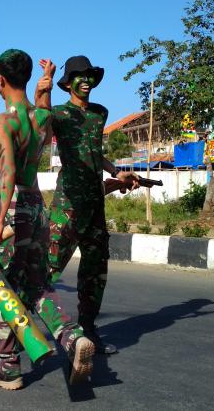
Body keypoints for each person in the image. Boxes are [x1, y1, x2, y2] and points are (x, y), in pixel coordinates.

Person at [0, 49, 94, 389]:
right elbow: (41, 105)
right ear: (25, 78)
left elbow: (7, 173)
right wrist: (47, 86)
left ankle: (8, 366)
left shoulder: (3, 121)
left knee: (2, 286)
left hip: (13, 208)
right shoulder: (41, 118)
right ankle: (72, 339)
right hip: (38, 207)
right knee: (38, 284)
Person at [47, 55, 138, 355]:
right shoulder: (58, 114)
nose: (85, 80)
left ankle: (88, 326)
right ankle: (17, 325)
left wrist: (116, 173)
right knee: (49, 267)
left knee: (95, 268)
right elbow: (38, 127)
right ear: (68, 83)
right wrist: (42, 90)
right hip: (67, 202)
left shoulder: (100, 113)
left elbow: (95, 152)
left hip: (95, 202)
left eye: (89, 75)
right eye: (79, 76)